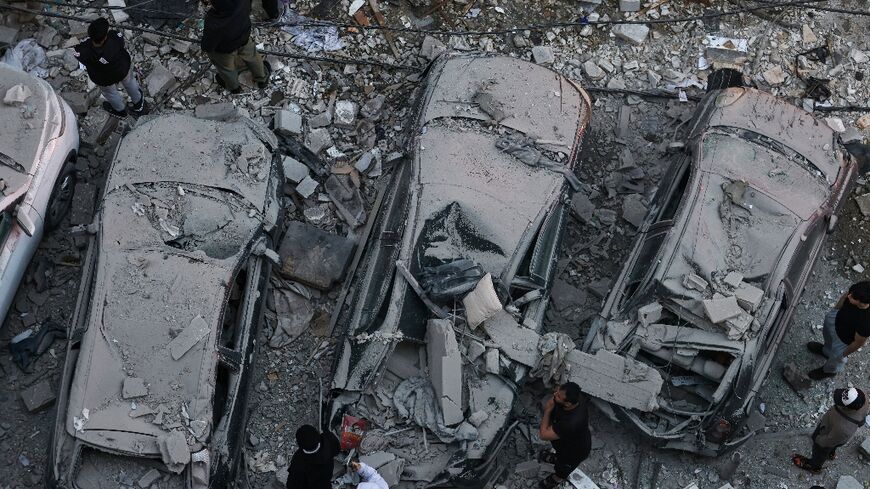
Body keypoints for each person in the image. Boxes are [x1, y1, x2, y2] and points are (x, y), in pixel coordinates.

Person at [72, 17, 145, 117]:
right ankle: (138, 102)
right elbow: (121, 41)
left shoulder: (84, 51)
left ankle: (120, 110)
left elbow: (77, 53)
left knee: (110, 93)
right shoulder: (115, 38)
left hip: (103, 77)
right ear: (105, 36)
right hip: (122, 68)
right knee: (130, 82)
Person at [792, 387, 869, 472]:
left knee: (821, 450)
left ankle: (814, 466)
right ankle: (831, 453)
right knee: (834, 445)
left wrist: (818, 439)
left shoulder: (843, 428)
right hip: (838, 437)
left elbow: (828, 441)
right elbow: (862, 420)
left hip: (829, 434)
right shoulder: (863, 398)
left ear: (848, 407)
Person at [201, 0, 269, 94]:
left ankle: (234, 87)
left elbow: (208, 45)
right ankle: (262, 79)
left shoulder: (214, 22)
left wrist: (206, 48)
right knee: (253, 57)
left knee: (226, 68)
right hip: (243, 37)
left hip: (224, 49)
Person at [806, 281, 870, 380]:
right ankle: (825, 351)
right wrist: (835, 310)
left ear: (862, 302)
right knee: (828, 341)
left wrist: (843, 353)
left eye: (852, 297)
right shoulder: (856, 291)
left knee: (836, 358)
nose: (849, 296)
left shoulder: (866, 322)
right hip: (835, 321)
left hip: (843, 341)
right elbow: (845, 297)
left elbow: (858, 343)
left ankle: (828, 371)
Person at [537, 382, 591, 489]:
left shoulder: (570, 423)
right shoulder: (576, 397)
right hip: (564, 443)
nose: (554, 395)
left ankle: (557, 478)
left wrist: (548, 410)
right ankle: (557, 458)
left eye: (558, 396)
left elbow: (543, 435)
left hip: (574, 451)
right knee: (560, 456)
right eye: (557, 391)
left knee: (563, 467)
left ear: (568, 404)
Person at [286, 424, 341, 489]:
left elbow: (292, 486)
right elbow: (337, 450)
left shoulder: (298, 462)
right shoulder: (329, 439)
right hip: (326, 482)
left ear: (300, 445)